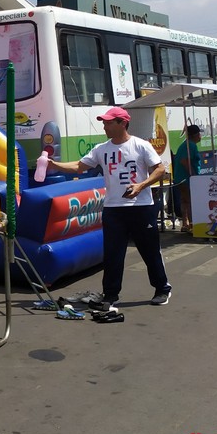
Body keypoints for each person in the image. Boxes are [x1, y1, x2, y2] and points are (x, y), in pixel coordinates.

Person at [47, 106, 172, 310]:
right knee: (113, 254)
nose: (104, 126)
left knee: (149, 251)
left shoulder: (141, 146)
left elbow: (160, 169)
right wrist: (54, 165)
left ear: (123, 123)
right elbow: (79, 166)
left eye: (108, 122)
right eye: (104, 123)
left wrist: (141, 185)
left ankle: (162, 288)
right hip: (113, 208)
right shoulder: (101, 149)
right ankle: (111, 294)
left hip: (141, 207)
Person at [171, 124, 202, 232]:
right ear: (196, 135)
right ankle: (192, 224)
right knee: (189, 200)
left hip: (180, 177)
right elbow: (184, 160)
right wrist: (192, 174)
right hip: (186, 178)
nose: (200, 136)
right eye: (199, 134)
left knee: (184, 200)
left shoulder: (186, 145)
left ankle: (186, 223)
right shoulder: (190, 146)